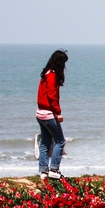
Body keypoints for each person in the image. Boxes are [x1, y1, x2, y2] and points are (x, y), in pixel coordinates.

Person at [36, 49, 68, 180]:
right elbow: (52, 96)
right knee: (60, 141)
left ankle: (43, 171)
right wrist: (58, 113)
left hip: (40, 113)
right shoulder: (52, 75)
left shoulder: (46, 73)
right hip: (49, 114)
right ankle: (54, 169)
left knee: (45, 143)